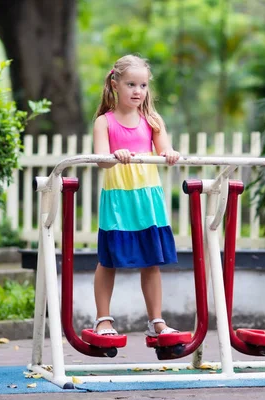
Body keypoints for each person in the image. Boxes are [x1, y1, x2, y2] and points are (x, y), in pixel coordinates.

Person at [91, 54, 180, 338]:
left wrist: (169, 153)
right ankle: (103, 319)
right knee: (108, 260)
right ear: (115, 84)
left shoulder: (152, 120)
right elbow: (101, 160)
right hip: (118, 198)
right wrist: (114, 156)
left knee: (151, 261)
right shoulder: (104, 122)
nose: (137, 91)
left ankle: (156, 322)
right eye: (131, 84)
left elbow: (165, 149)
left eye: (142, 85)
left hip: (147, 198)